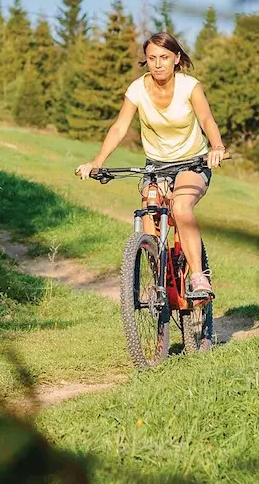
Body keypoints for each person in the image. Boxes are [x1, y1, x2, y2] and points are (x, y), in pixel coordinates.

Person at [75, 32, 226, 300]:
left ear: (176, 59)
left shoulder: (190, 87)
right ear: (146, 60)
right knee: (148, 212)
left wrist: (216, 147)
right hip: (156, 166)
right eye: (152, 58)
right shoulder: (137, 89)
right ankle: (160, 278)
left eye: (164, 57)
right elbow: (120, 127)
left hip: (193, 163)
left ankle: (197, 277)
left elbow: (206, 119)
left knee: (180, 207)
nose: (158, 64)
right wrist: (97, 162)